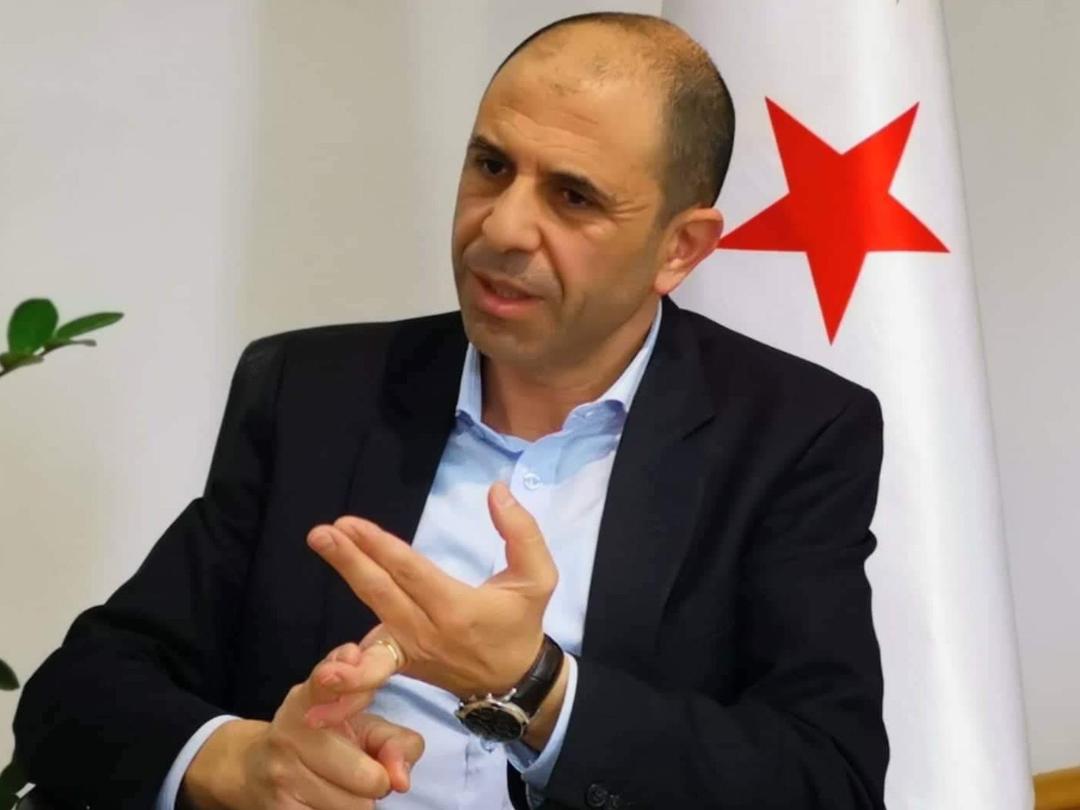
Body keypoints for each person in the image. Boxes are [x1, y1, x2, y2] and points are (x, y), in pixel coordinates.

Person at [13, 11, 888, 810]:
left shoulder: (792, 433)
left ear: (680, 248)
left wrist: (535, 686)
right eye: (491, 166)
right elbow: (79, 694)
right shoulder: (316, 393)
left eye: (573, 197)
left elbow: (826, 781)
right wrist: (241, 763)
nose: (501, 228)